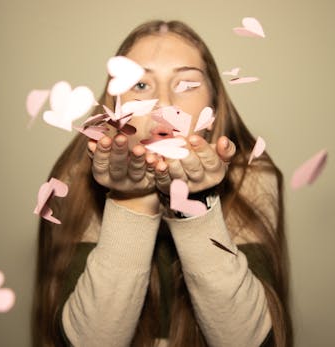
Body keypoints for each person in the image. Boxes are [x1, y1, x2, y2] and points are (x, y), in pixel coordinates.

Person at [31, 20, 293, 347]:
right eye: (141, 86)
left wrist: (194, 205)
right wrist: (132, 198)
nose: (164, 104)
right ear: (114, 107)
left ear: (214, 100)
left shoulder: (250, 179)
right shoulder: (76, 180)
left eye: (186, 84)